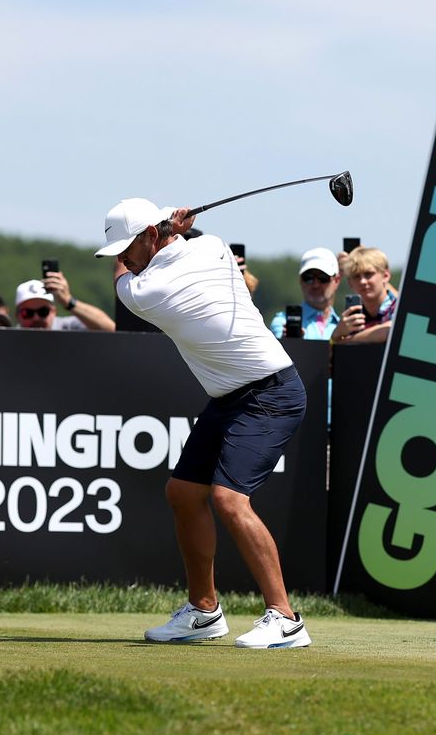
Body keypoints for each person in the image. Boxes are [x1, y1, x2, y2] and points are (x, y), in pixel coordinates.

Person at [96, 198, 311, 649]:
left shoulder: (145, 291)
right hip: (230, 397)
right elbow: (187, 243)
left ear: (152, 236)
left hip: (271, 393)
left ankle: (286, 618)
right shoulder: (212, 246)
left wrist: (167, 231)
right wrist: (178, 229)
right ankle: (204, 611)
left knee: (230, 500)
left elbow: (123, 280)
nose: (122, 257)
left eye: (126, 248)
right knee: (184, 492)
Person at [331, 246, 398, 345]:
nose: (362, 281)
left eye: (368, 274)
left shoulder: (399, 308)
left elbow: (391, 330)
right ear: (350, 283)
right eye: (356, 276)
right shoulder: (352, 315)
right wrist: (336, 335)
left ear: (386, 276)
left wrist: (349, 341)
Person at [268, 247, 340, 339]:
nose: (315, 285)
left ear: (337, 280)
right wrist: (288, 342)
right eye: (308, 278)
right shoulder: (282, 322)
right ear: (300, 280)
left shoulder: (345, 327)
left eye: (323, 278)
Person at [14, 278, 115, 331]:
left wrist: (69, 301)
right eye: (27, 313)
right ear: (17, 316)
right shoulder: (11, 338)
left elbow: (110, 329)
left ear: (53, 311)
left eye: (43, 312)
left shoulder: (68, 327)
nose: (36, 318)